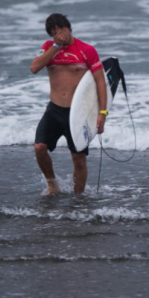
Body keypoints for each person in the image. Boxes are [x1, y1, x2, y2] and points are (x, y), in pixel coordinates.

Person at [30, 14, 108, 195]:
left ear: (68, 28)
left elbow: (100, 83)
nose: (57, 37)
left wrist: (102, 113)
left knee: (78, 159)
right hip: (54, 109)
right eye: (53, 34)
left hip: (78, 112)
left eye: (59, 32)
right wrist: (56, 46)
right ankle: (52, 184)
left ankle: (78, 196)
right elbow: (34, 68)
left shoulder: (86, 50)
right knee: (39, 148)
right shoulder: (48, 48)